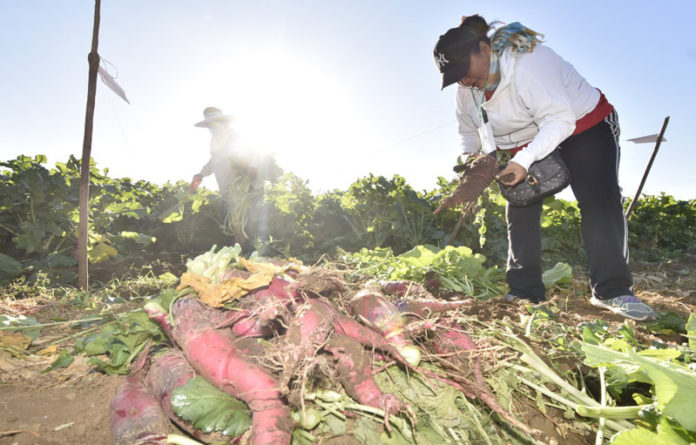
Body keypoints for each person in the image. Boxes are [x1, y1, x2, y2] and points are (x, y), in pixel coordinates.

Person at [433, 15, 657, 321]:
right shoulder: (466, 89)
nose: (463, 81)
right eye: (454, 76)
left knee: (598, 202)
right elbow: (467, 132)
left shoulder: (528, 63)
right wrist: (473, 161)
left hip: (581, 124)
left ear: (485, 49)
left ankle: (612, 290)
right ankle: (525, 292)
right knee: (519, 205)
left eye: (463, 71)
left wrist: (523, 160)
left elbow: (559, 120)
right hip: (528, 138)